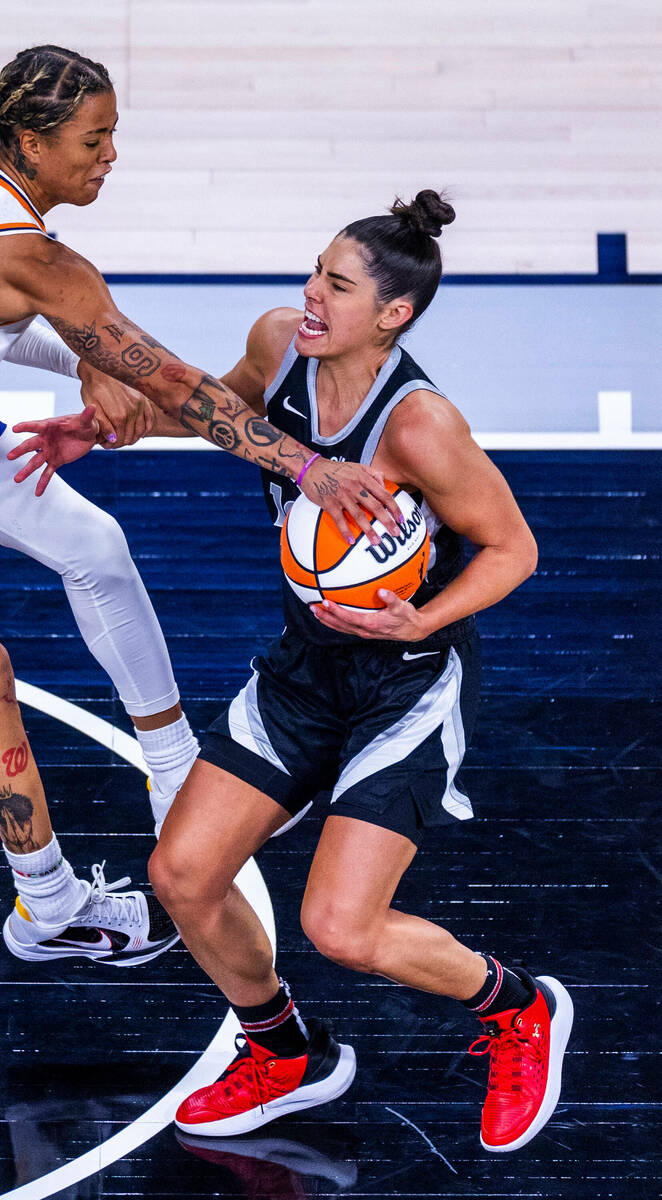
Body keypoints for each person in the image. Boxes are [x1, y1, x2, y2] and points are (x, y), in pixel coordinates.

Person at [0, 45, 401, 970]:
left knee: (97, 543)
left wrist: (90, 355)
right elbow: (168, 380)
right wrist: (310, 470)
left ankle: (171, 770)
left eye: (114, 134)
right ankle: (46, 906)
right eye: (94, 139)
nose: (110, 156)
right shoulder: (39, 261)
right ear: (30, 141)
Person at [68, 190, 571, 1150]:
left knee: (342, 927)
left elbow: (513, 550)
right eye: (314, 271)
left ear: (394, 315)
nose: (310, 295)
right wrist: (114, 426)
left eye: (337, 287)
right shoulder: (280, 345)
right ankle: (286, 1050)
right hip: (305, 668)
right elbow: (224, 414)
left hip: (405, 681)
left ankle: (516, 1008)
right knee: (181, 874)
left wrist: (418, 618)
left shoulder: (419, 428)